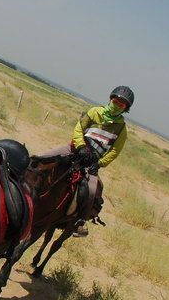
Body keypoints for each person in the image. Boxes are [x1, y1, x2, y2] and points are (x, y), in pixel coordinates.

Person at [37, 85, 133, 237]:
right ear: (110, 99)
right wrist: (81, 146)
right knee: (41, 159)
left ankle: (79, 222)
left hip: (91, 162)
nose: (117, 105)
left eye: (121, 104)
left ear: (125, 109)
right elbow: (78, 128)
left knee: (92, 191)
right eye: (116, 101)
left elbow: (115, 151)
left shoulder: (121, 128)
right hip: (75, 149)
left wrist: (99, 163)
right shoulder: (94, 112)